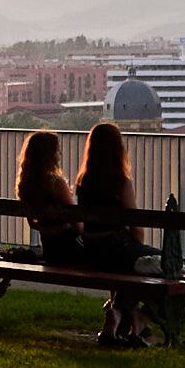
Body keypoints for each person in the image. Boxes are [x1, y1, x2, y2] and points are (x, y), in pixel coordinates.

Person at [78, 118, 149, 344]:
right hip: (116, 248)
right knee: (161, 263)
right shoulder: (121, 182)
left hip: (91, 251)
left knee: (127, 269)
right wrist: (138, 248)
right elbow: (136, 226)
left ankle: (119, 318)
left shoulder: (84, 181)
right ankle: (129, 316)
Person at [16, 129, 81, 265]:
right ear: (51, 155)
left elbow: (32, 223)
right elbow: (74, 219)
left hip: (50, 249)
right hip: (71, 249)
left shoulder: (26, 185)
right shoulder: (56, 183)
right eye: (57, 151)